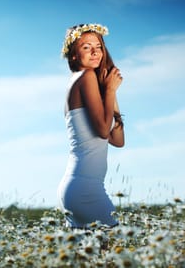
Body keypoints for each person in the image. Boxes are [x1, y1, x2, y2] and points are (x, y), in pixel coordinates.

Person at [57, 23, 124, 229]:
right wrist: (111, 90)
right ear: (74, 54)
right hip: (85, 188)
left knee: (92, 259)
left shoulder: (83, 81)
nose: (95, 52)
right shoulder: (85, 77)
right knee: (118, 252)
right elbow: (104, 132)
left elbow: (118, 140)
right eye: (86, 47)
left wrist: (110, 92)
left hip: (79, 187)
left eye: (98, 46)